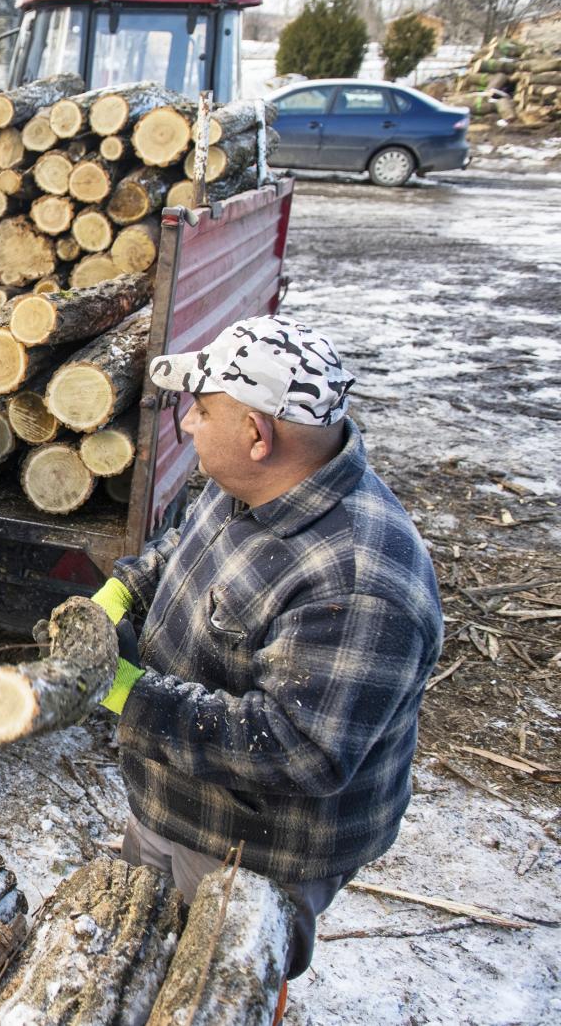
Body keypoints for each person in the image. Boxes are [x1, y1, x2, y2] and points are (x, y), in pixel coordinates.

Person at [85, 314, 442, 1009]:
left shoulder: (362, 582)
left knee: (213, 993)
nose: (188, 425)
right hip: (173, 798)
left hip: (252, 850)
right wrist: (117, 593)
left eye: (203, 410)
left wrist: (125, 693)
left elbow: (297, 748)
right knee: (135, 960)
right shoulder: (248, 484)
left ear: (258, 434)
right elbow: (178, 550)